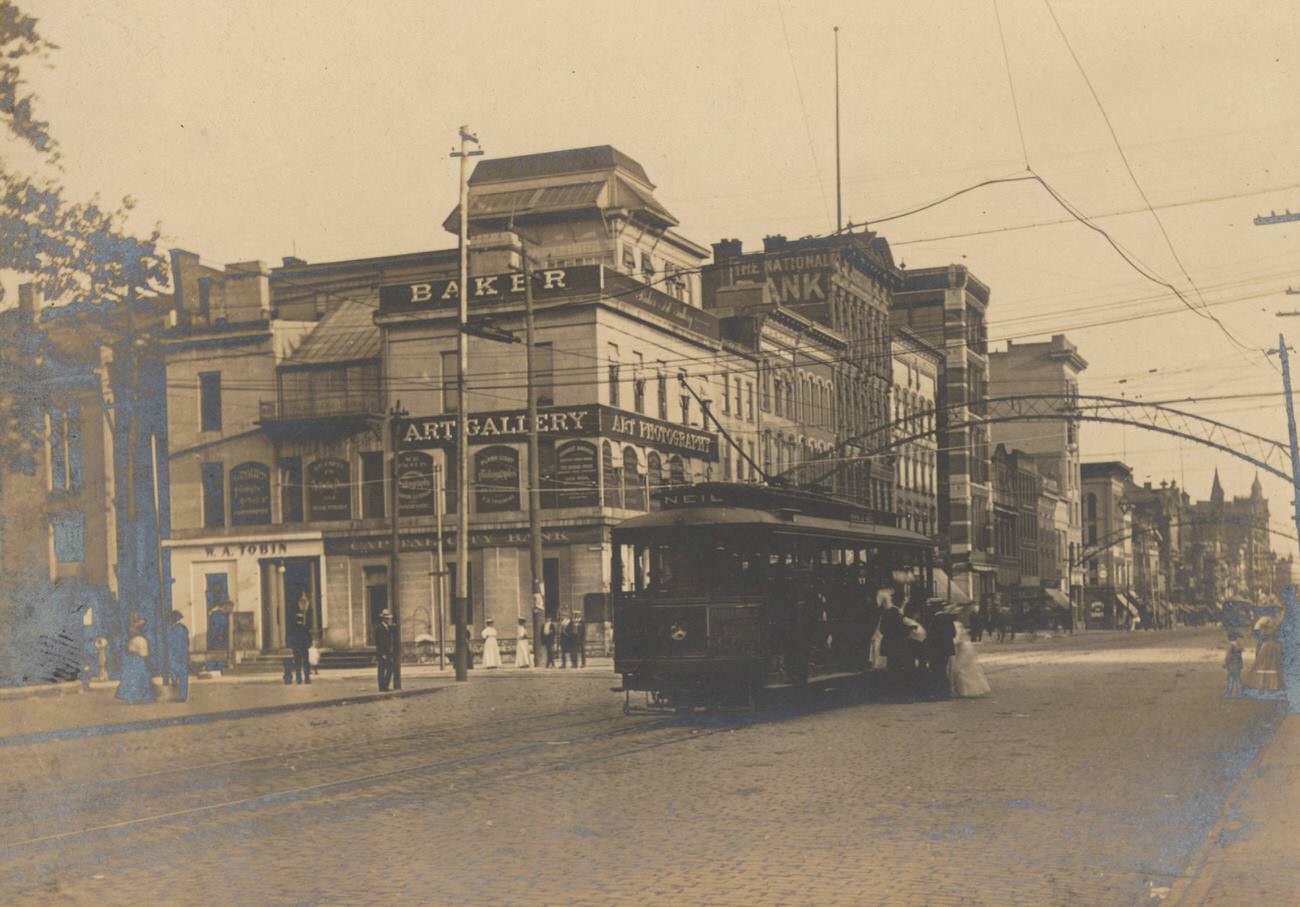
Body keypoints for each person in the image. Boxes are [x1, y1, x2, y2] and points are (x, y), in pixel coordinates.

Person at [115, 616, 155, 704]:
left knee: (135, 679)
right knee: (136, 679)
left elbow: (141, 653)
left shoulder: (138, 640)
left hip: (136, 661)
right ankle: (137, 697)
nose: (131, 631)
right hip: (136, 661)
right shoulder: (138, 640)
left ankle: (135, 697)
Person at [949, 618, 991, 697]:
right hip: (961, 649)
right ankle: (963, 690)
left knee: (961, 669)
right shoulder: (955, 624)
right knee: (962, 669)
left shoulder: (956, 625)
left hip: (964, 649)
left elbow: (958, 639)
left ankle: (967, 690)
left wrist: (948, 643)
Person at [926, 604, 959, 699]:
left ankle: (940, 693)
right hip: (946, 649)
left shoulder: (936, 619)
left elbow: (932, 636)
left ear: (935, 608)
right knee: (942, 670)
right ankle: (944, 692)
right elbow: (953, 633)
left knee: (937, 671)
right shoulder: (948, 618)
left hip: (937, 649)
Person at [1246, 612, 1284, 695]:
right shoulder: (1270, 620)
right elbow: (1257, 632)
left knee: (1267, 664)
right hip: (1269, 644)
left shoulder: (1268, 620)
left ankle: (1266, 685)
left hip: (1270, 644)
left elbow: (1256, 632)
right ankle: (1268, 685)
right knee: (1266, 664)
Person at [166, 610, 191, 702]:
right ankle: (180, 696)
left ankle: (181, 696)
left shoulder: (178, 629)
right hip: (181, 655)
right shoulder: (181, 628)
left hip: (179, 655)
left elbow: (179, 644)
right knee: (180, 675)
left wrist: (179, 655)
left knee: (179, 675)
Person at [374, 609, 399, 691]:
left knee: (389, 668)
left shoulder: (387, 627)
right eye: (388, 619)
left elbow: (393, 631)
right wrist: (382, 653)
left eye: (389, 619)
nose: (389, 620)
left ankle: (385, 686)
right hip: (382, 653)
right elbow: (379, 643)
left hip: (387, 652)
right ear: (384, 619)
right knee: (382, 670)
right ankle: (382, 687)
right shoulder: (379, 628)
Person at [287, 611, 312, 684]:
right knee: (306, 663)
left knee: (297, 663)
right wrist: (308, 645)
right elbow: (309, 638)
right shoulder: (305, 628)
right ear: (302, 619)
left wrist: (292, 646)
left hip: (296, 648)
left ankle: (298, 678)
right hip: (304, 648)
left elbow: (290, 638)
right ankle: (307, 679)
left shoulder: (293, 628)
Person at [1223, 632, 1245, 699]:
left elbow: (1228, 656)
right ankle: (1240, 693)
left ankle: (1229, 693)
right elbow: (1240, 657)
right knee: (1238, 680)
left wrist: (1226, 664)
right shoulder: (1238, 646)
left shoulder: (1230, 646)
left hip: (1231, 666)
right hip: (1237, 666)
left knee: (1230, 680)